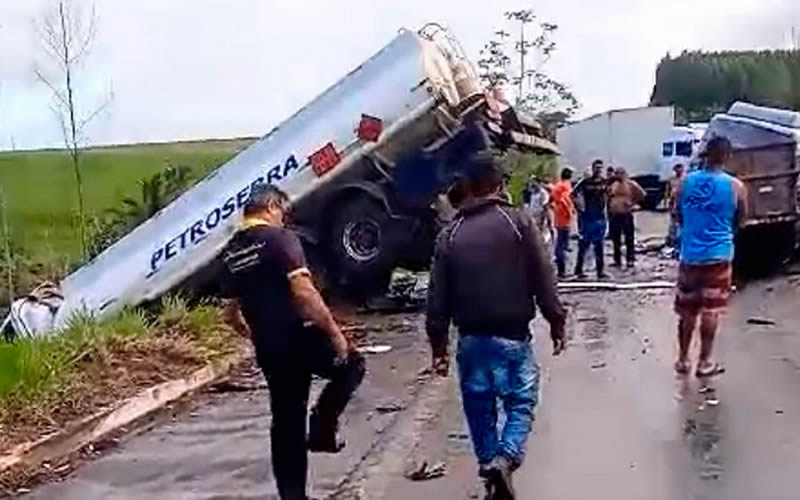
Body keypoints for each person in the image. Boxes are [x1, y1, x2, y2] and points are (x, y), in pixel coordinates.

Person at [426, 152, 567, 500]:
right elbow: (543, 278)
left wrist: (439, 348)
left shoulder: (451, 234)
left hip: (471, 342)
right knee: (520, 403)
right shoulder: (518, 223)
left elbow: (437, 300)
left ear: (469, 186)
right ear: (500, 183)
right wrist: (556, 320)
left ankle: (492, 469)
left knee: (479, 409)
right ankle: (507, 458)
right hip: (513, 337)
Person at [220, 185, 365, 500]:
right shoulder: (280, 239)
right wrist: (334, 333)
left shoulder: (232, 250)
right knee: (352, 364)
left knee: (286, 421)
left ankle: (293, 496)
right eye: (282, 212)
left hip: (270, 348)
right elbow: (303, 292)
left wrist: (256, 335)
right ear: (272, 206)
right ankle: (323, 428)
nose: (283, 219)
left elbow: (229, 313)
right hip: (299, 337)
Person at [673, 137, 747, 378]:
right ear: (727, 156)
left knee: (686, 311)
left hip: (690, 256)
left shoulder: (684, 183)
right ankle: (705, 363)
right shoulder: (736, 187)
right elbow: (740, 221)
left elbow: (678, 216)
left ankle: (683, 359)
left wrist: (694, 230)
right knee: (711, 310)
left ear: (705, 154)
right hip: (719, 256)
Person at [573, 159, 609, 279]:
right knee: (584, 245)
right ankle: (578, 270)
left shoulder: (604, 182)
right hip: (587, 217)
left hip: (599, 216)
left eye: (600, 168)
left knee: (599, 245)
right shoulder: (585, 182)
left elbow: (608, 194)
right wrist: (579, 208)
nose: (598, 170)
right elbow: (572, 193)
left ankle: (600, 271)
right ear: (593, 168)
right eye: (596, 168)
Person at [608, 167, 646, 268]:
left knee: (629, 237)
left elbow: (642, 194)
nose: (617, 176)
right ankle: (617, 260)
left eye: (619, 174)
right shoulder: (614, 185)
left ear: (624, 174)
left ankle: (630, 259)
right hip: (615, 215)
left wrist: (632, 203)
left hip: (626, 214)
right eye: (616, 174)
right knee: (615, 238)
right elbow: (608, 196)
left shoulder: (631, 184)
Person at [551, 167, 575, 278]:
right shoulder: (566, 186)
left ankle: (560, 268)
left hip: (558, 216)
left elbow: (554, 199)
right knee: (562, 244)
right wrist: (570, 213)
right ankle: (562, 270)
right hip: (564, 218)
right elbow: (565, 200)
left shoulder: (558, 185)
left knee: (560, 242)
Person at [665, 163, 686, 256]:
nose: (679, 171)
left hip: (683, 205)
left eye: (680, 169)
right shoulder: (672, 180)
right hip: (674, 205)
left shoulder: (686, 179)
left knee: (682, 226)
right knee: (673, 226)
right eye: (677, 169)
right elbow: (668, 192)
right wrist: (667, 203)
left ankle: (680, 246)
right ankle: (673, 243)